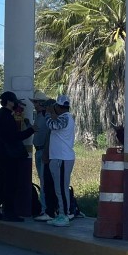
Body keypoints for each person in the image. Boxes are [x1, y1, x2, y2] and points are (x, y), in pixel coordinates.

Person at [0, 91, 35, 221]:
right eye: (14, 100)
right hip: (8, 156)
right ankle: (9, 212)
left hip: (0, 154)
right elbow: (14, 136)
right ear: (9, 101)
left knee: (0, 182)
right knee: (10, 183)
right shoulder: (6, 116)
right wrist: (31, 130)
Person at [45, 94, 75, 227]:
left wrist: (47, 114)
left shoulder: (65, 118)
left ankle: (65, 214)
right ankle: (62, 213)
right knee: (59, 188)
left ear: (58, 106)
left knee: (62, 188)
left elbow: (53, 125)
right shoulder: (64, 117)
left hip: (62, 158)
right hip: (58, 158)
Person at [30, 91, 53, 221]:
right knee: (43, 180)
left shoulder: (45, 116)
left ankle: (45, 209)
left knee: (44, 182)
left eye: (35, 102)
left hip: (43, 151)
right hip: (38, 150)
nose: (34, 105)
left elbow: (48, 135)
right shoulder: (39, 115)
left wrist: (46, 152)